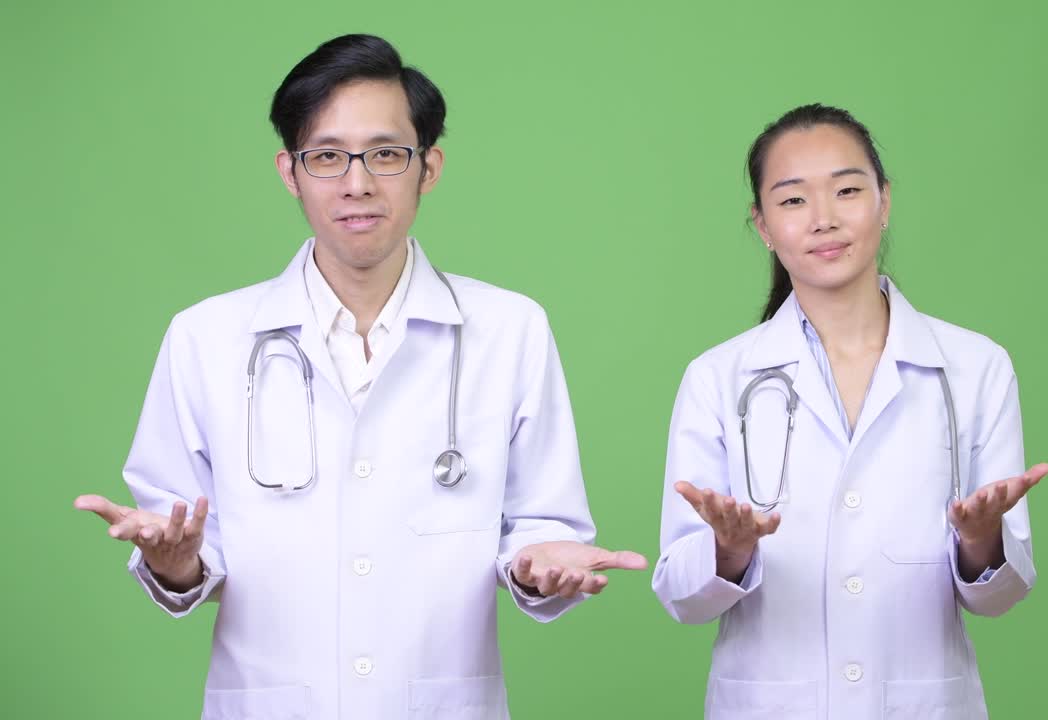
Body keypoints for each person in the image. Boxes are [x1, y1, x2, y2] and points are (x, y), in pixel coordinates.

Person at [74, 34, 645, 720]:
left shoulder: (509, 328)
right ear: (290, 172)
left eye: (385, 153)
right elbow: (184, 537)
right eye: (327, 156)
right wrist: (173, 562)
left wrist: (541, 561)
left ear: (428, 166)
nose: (357, 183)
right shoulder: (205, 337)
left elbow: (543, 524)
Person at [651, 103, 1048, 719]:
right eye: (793, 200)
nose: (824, 219)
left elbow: (998, 596)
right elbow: (682, 594)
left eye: (847, 190)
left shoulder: (975, 367)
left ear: (884, 202)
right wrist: (729, 550)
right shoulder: (718, 378)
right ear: (762, 225)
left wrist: (982, 540)